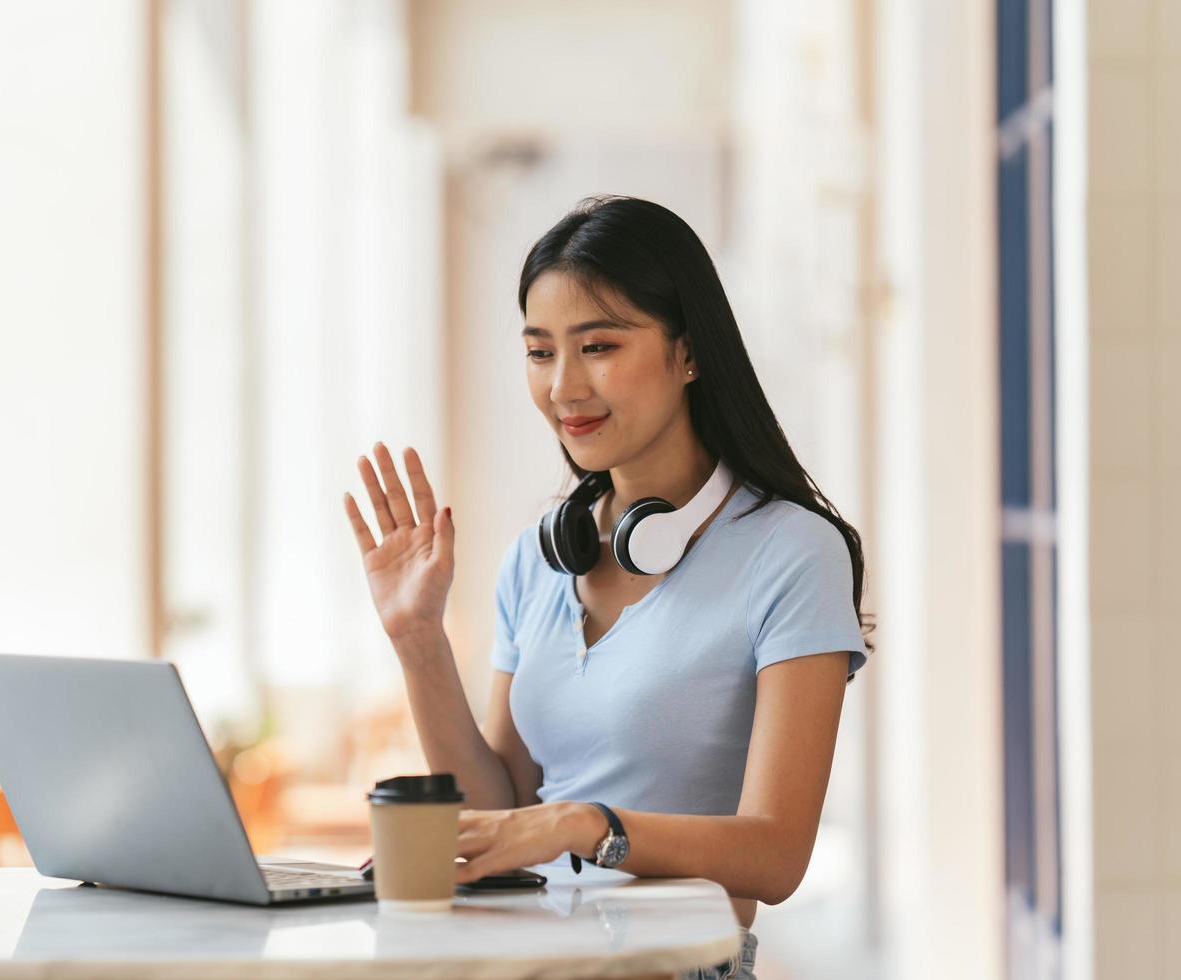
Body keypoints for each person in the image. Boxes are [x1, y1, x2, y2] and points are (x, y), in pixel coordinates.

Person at [342, 195, 873, 980]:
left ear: (688, 353)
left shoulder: (792, 553)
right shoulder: (539, 558)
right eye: (539, 351)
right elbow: (504, 802)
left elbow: (777, 854)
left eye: (597, 346)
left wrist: (585, 826)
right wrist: (417, 640)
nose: (563, 387)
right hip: (527, 960)